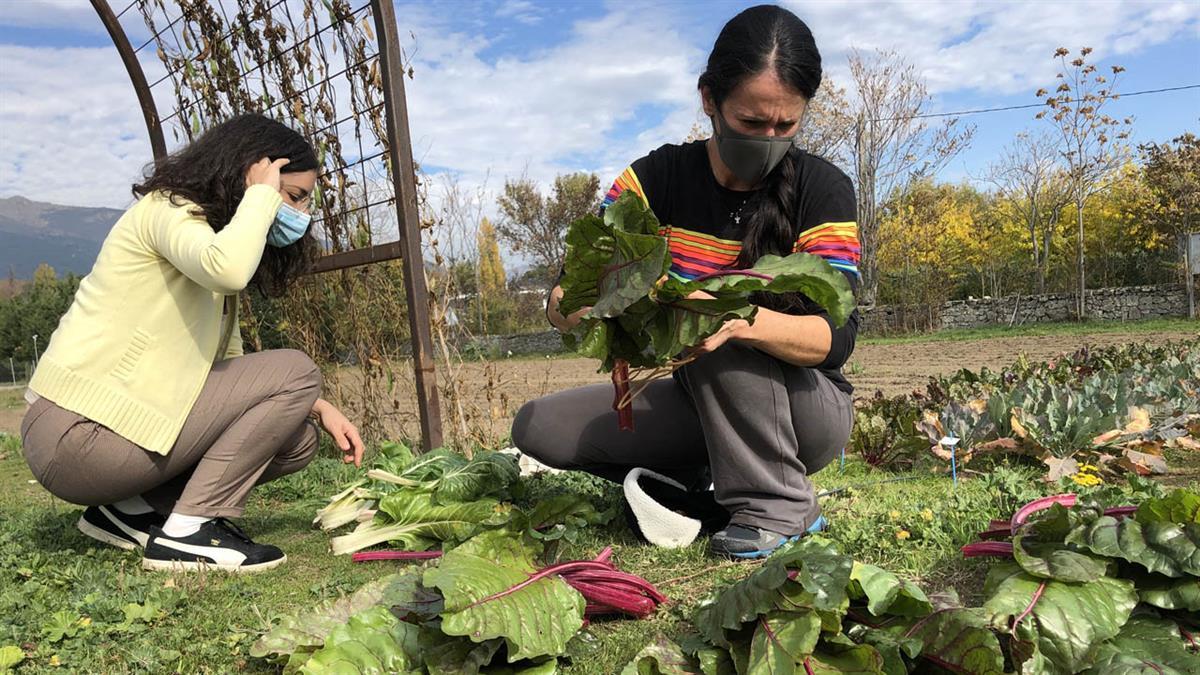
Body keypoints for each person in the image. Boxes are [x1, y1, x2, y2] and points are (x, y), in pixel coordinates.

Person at [512, 5, 859, 559]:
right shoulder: (656, 179)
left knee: (716, 320)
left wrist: (736, 316)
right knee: (539, 428)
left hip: (805, 411)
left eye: (785, 126)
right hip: (697, 394)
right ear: (709, 101)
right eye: (751, 123)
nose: (768, 139)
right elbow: (567, 290)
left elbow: (836, 338)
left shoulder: (822, 187)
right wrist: (576, 306)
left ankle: (781, 507)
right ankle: (699, 486)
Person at [19, 114, 364, 573]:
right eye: (294, 197)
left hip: (115, 438)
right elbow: (228, 268)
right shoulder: (167, 209)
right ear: (252, 171)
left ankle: (127, 510)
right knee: (297, 368)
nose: (299, 215)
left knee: (296, 440)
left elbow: (234, 373)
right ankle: (189, 531)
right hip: (76, 433)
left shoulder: (209, 244)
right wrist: (261, 196)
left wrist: (315, 406)